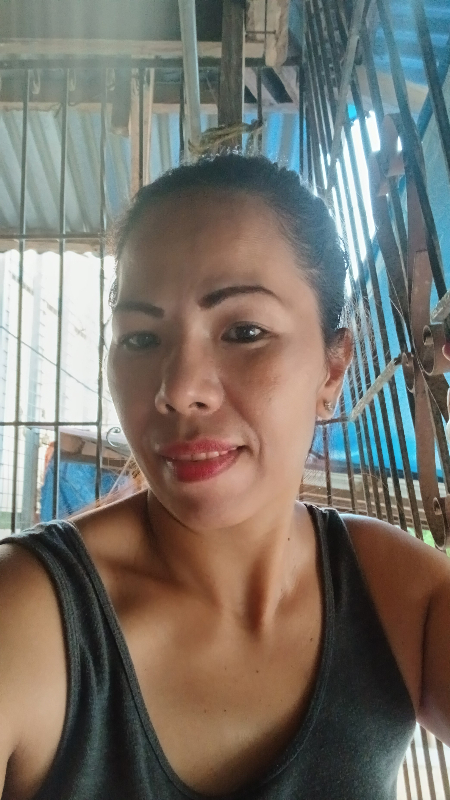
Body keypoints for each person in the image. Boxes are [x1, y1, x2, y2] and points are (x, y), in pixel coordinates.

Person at [0, 153, 449, 800]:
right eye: (140, 338)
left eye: (244, 331)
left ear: (333, 369)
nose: (179, 389)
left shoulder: (398, 596)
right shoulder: (26, 618)